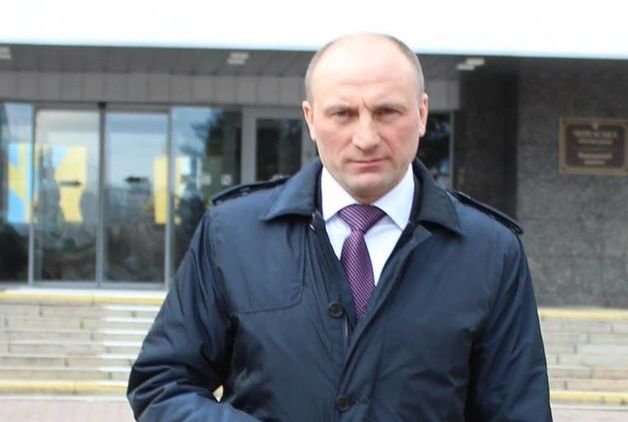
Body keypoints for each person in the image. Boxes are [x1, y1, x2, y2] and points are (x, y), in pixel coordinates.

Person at [127, 33, 551, 421]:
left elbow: (519, 412)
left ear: (422, 114)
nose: (365, 137)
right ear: (311, 119)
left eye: (387, 112)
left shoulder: (490, 251)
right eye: (343, 113)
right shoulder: (232, 235)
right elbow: (162, 384)